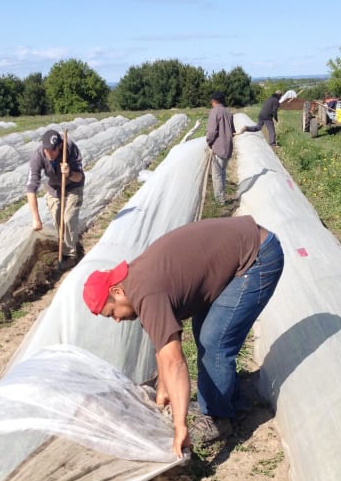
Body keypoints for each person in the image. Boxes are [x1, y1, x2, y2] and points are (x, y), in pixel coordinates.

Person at [82, 216, 284, 458]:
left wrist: (180, 426)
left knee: (214, 342)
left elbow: (174, 361)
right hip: (243, 246)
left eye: (111, 312)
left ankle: (219, 419)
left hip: (257, 256)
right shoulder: (134, 284)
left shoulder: (146, 293)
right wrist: (163, 391)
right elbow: (162, 345)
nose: (116, 319)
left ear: (116, 291)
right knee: (205, 333)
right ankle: (229, 400)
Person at [26, 129, 85, 258]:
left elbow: (79, 176)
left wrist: (69, 173)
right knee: (59, 221)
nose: (49, 153)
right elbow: (31, 188)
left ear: (60, 146)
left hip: (73, 186)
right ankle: (62, 250)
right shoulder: (38, 155)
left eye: (53, 150)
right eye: (47, 149)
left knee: (68, 219)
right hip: (53, 189)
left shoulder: (70, 149)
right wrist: (36, 219)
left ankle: (71, 254)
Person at [205, 91, 235, 204]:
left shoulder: (214, 112)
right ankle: (222, 196)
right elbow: (232, 131)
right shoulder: (228, 112)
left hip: (218, 147)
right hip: (228, 147)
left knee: (217, 175)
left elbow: (212, 131)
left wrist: (208, 142)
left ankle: (220, 200)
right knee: (222, 172)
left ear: (213, 100)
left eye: (211, 101)